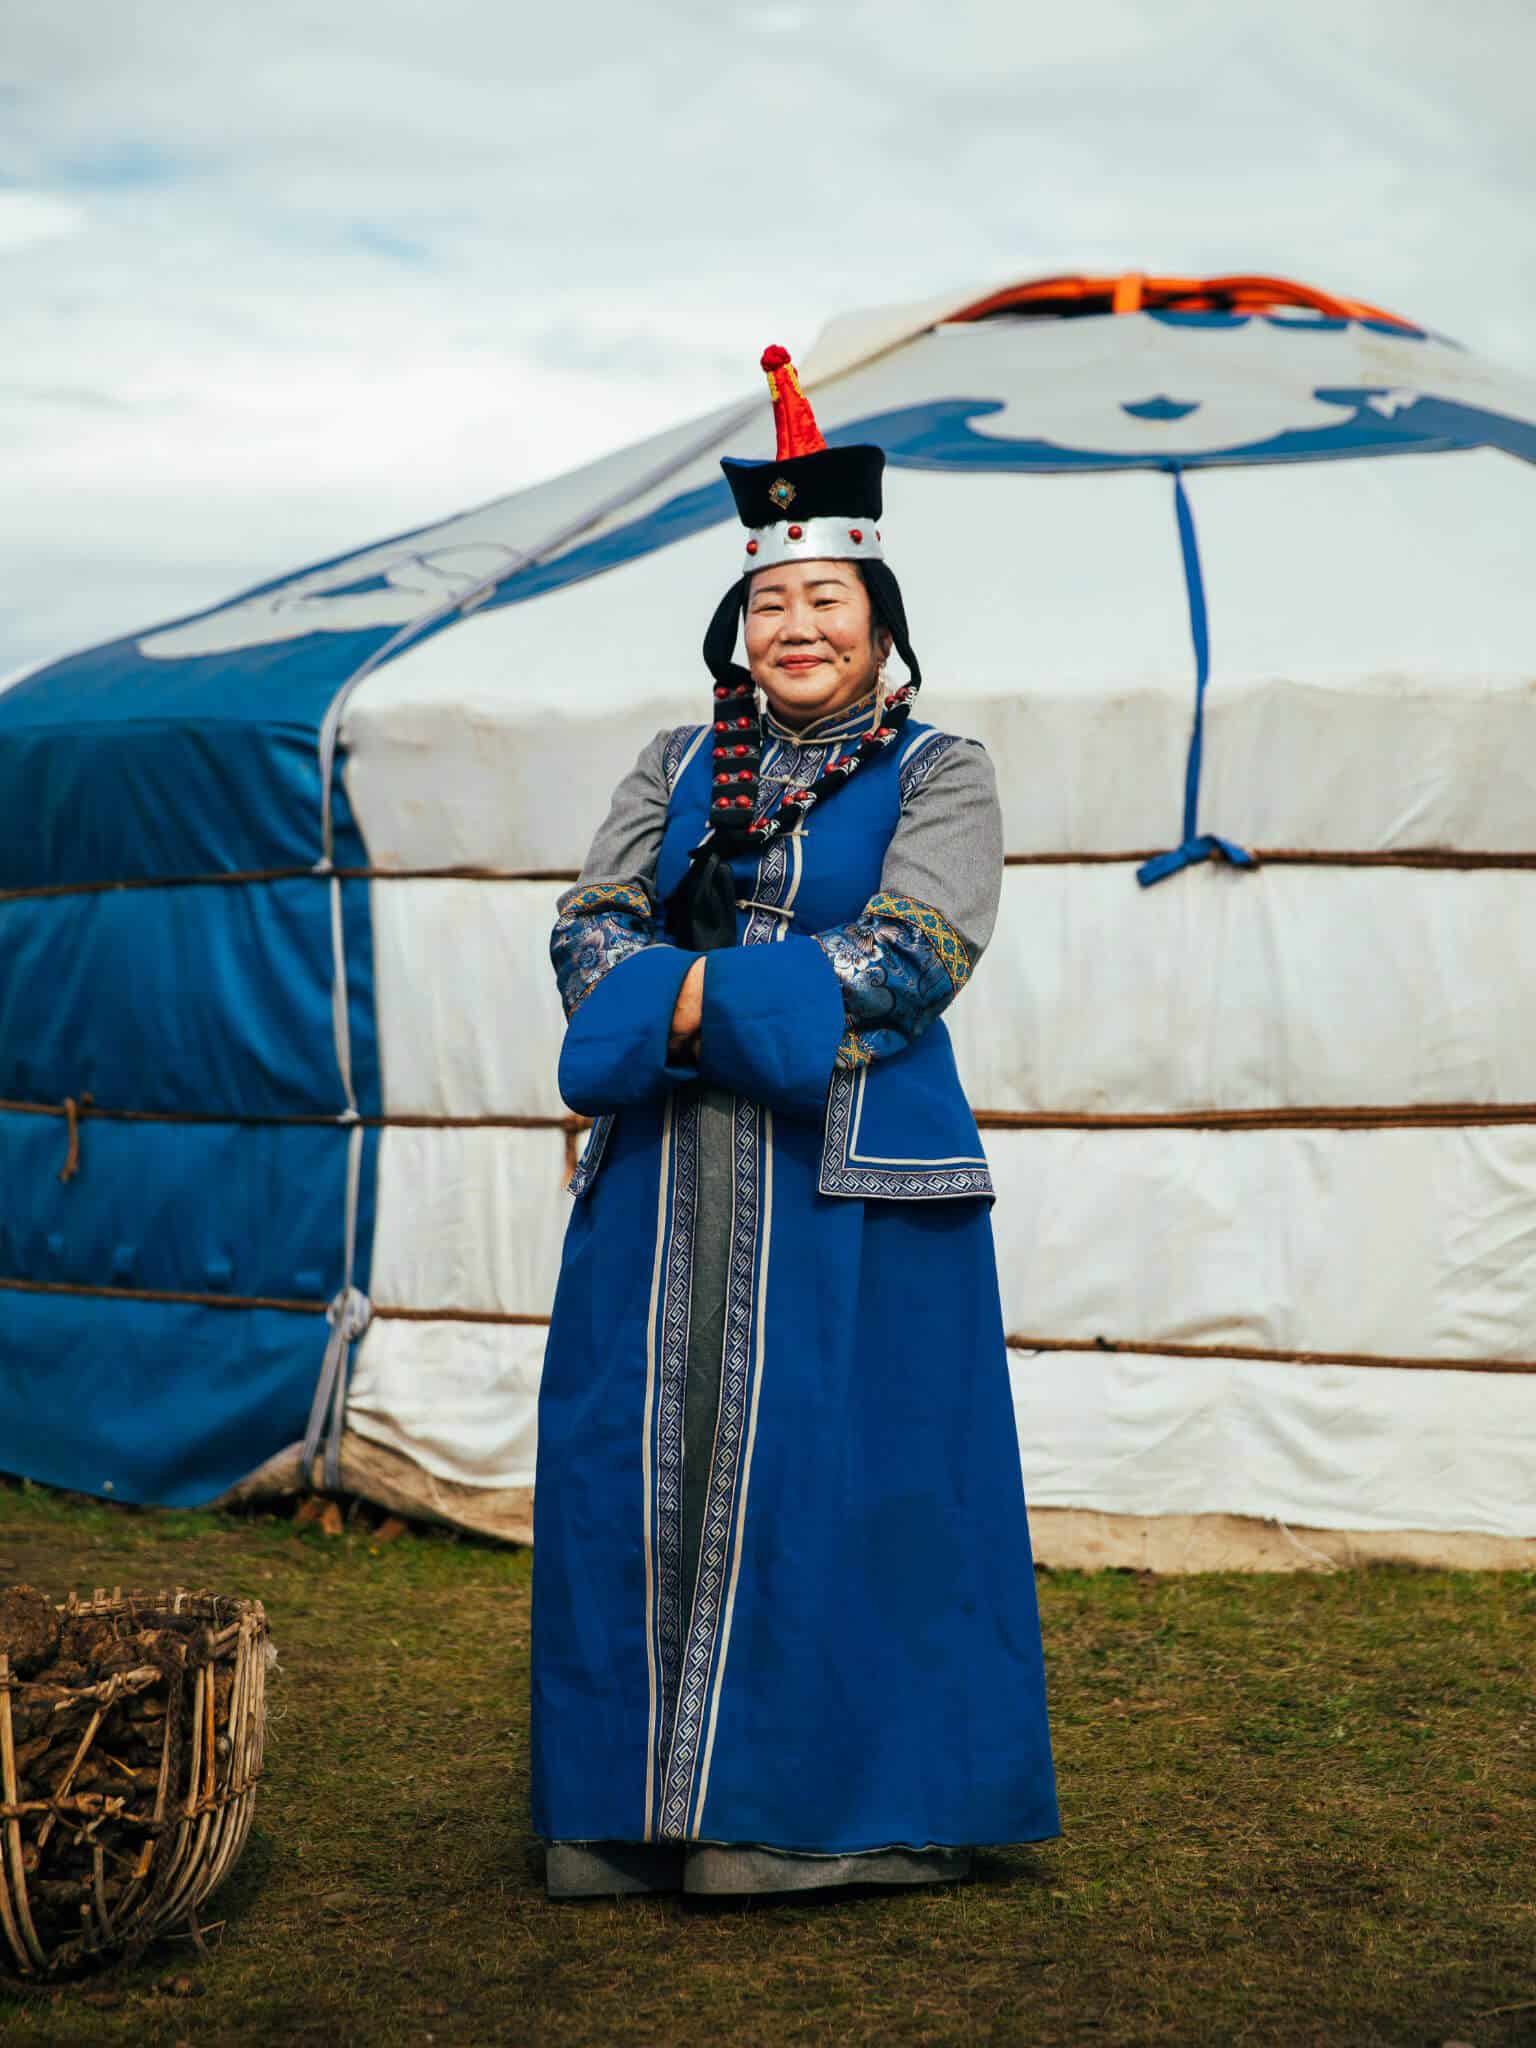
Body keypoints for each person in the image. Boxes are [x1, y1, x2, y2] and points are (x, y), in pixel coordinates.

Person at [530, 343, 1057, 1898]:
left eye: (830, 602)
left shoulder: (943, 773)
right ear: (739, 627)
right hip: (657, 1189)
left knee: (853, 1491)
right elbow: (583, 933)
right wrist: (696, 996)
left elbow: (912, 961)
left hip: (851, 1193)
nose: (800, 626)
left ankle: (818, 1818)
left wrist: (680, 1007)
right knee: (628, 1481)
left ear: (879, 627)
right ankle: (625, 1819)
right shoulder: (675, 762)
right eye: (773, 603)